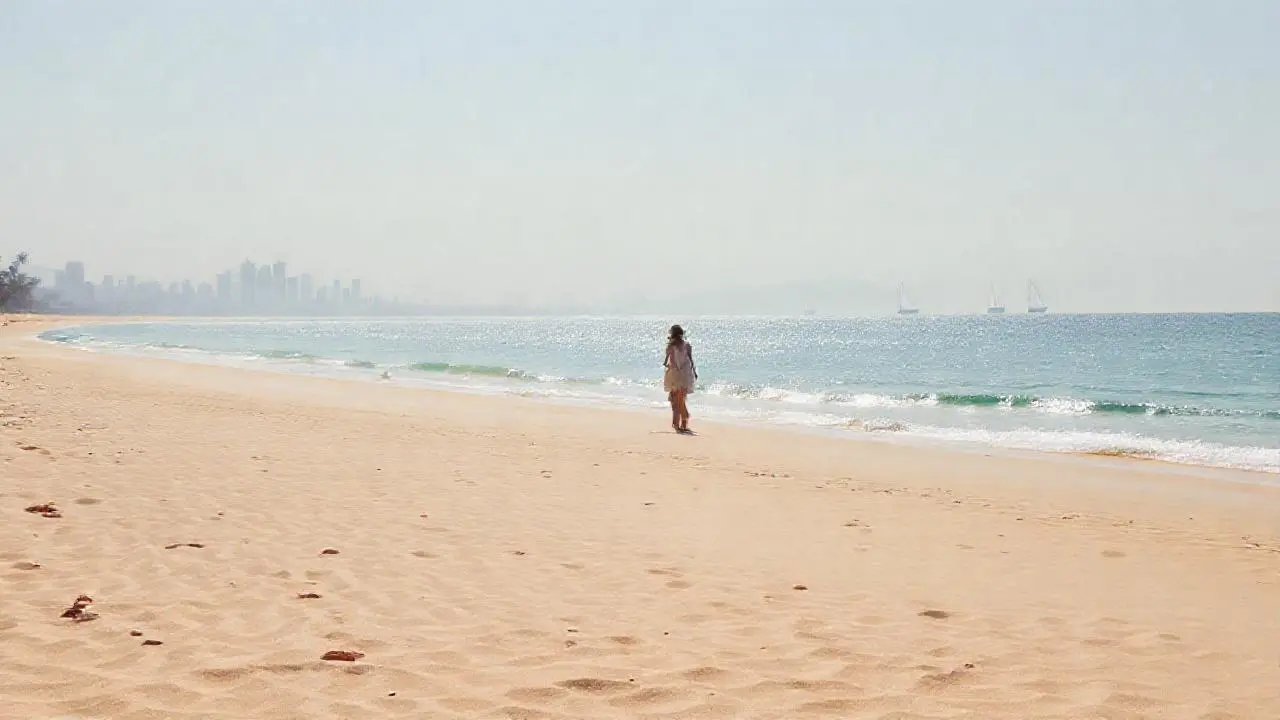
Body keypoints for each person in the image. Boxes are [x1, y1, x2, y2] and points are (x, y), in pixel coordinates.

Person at [663, 324, 697, 433]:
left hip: (674, 374)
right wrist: (694, 373)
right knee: (681, 399)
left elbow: (666, 362)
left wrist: (668, 366)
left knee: (674, 399)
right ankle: (683, 424)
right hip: (685, 375)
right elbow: (691, 361)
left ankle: (677, 424)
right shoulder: (687, 345)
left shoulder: (670, 347)